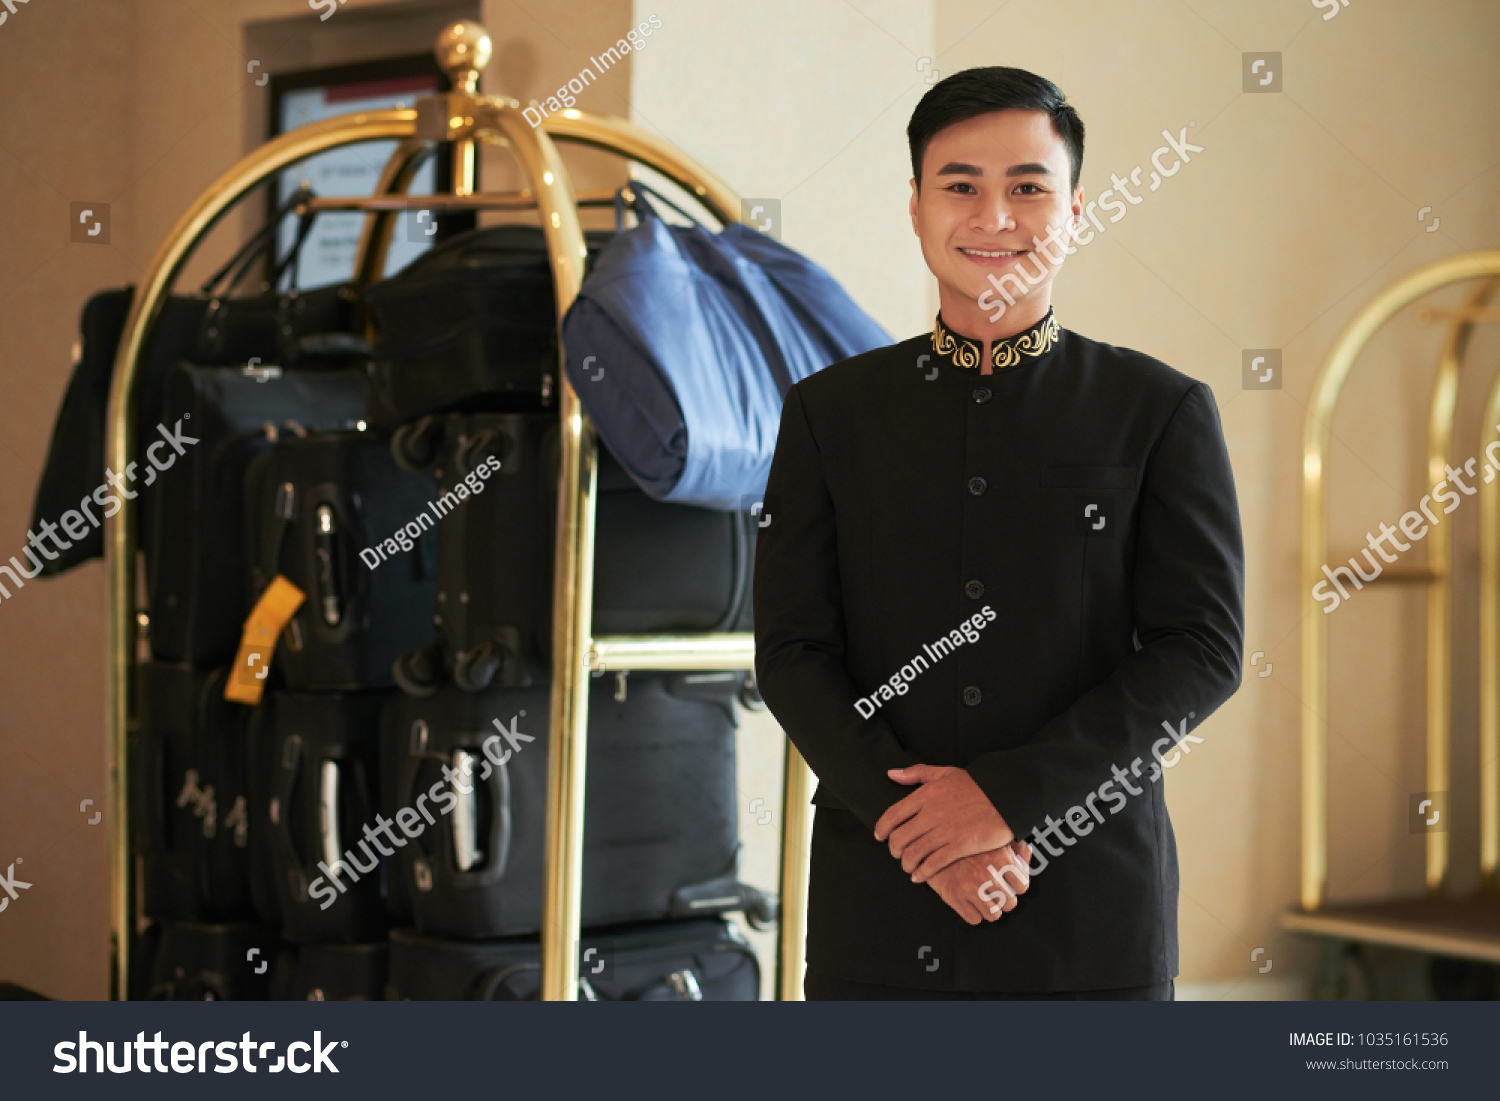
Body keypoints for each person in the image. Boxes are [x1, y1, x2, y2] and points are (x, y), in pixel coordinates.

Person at [753, 66, 1244, 1000]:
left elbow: (1203, 649)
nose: (994, 216)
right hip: (881, 906)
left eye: (1027, 186)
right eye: (960, 185)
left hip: (1092, 906)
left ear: (1075, 209)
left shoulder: (1160, 409)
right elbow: (790, 651)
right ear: (915, 205)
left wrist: (1008, 801)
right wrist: (928, 834)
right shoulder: (828, 414)